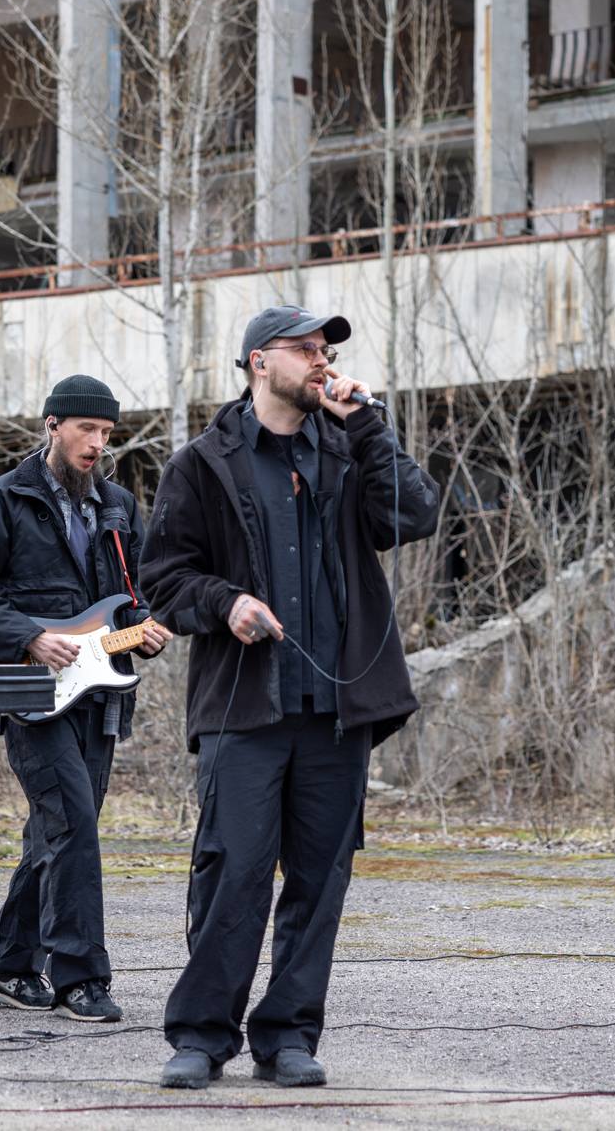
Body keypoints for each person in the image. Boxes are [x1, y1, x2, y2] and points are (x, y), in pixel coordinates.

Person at [142, 305, 440, 1089]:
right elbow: (162, 581)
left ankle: (289, 1035)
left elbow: (415, 514)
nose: (320, 360)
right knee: (232, 872)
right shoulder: (202, 464)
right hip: (245, 708)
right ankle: (203, 1035)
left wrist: (372, 427)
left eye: (326, 349)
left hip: (337, 713)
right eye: (304, 349)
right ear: (256, 362)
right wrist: (224, 603)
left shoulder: (346, 451)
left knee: (319, 879)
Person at [0, 373, 170, 1022]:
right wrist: (29, 638)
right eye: (86, 430)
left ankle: (5, 964)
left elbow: (138, 596)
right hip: (31, 696)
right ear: (52, 425)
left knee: (60, 831)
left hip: (101, 698)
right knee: (71, 822)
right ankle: (79, 977)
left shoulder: (119, 507)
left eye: (106, 433)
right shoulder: (0, 501)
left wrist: (146, 627)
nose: (97, 443)